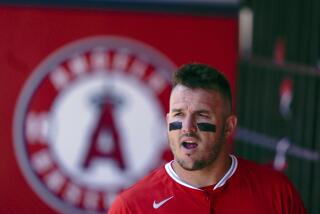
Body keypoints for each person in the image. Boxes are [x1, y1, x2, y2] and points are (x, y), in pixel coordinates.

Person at [108, 63, 306, 213]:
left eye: (202, 115)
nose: (187, 127)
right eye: (178, 114)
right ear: (168, 121)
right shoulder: (131, 207)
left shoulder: (277, 192)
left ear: (229, 126)